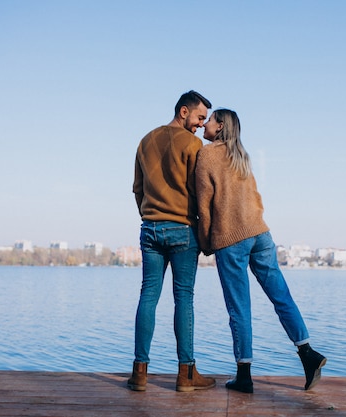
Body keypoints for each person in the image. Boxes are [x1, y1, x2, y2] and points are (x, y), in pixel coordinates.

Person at [195, 108, 327, 393]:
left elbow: (204, 206)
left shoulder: (206, 155)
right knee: (281, 296)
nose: (205, 124)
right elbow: (255, 197)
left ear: (220, 127)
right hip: (260, 234)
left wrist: (205, 244)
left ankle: (244, 376)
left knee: (239, 307)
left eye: (211, 120)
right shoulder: (241, 155)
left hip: (230, 239)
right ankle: (307, 353)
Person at [129, 90, 216, 392]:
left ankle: (139, 373)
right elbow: (201, 192)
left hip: (150, 229)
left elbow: (137, 189)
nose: (201, 126)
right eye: (199, 118)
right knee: (184, 299)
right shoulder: (193, 145)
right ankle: (186, 375)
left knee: (148, 297)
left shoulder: (145, 141)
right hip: (182, 230)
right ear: (183, 112)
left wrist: (149, 213)